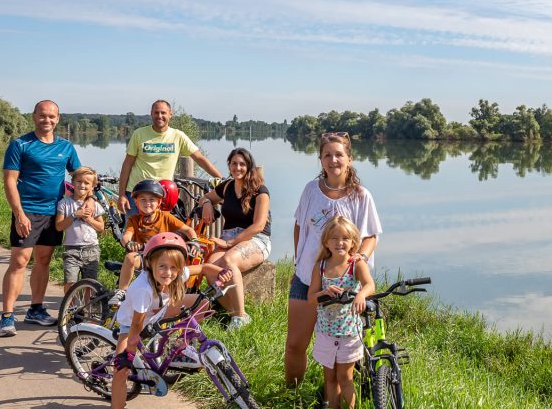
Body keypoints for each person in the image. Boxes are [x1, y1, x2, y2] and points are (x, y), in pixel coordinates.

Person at [93, 232, 233, 409]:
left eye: (174, 268)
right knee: (120, 369)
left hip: (157, 312)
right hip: (133, 326)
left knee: (202, 302)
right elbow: (137, 328)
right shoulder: (142, 289)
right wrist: (129, 352)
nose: (169, 273)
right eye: (163, 267)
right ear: (150, 264)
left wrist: (223, 272)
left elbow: (205, 268)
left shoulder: (174, 274)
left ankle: (180, 346)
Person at [285, 132, 381, 386]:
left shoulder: (361, 196)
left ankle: (347, 402)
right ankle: (292, 397)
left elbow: (371, 236)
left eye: (339, 154)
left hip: (346, 287)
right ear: (321, 160)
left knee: (346, 352)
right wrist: (300, 264)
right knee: (295, 344)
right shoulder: (310, 191)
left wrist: (360, 256)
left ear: (349, 159)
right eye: (327, 155)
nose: (333, 160)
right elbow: (298, 227)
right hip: (308, 280)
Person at [0, 100, 81, 337]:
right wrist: (19, 214)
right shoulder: (20, 144)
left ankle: (36, 309)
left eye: (52, 117)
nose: (47, 120)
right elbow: (9, 181)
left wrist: (92, 194)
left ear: (58, 118)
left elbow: (80, 175)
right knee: (19, 261)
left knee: (43, 260)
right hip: (28, 211)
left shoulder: (66, 147)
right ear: (34, 116)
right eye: (43, 116)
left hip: (54, 212)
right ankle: (7, 317)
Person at [308, 216, 374, 409]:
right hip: (326, 333)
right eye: (334, 238)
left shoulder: (356, 265)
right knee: (330, 378)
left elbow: (370, 284)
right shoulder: (320, 266)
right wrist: (323, 294)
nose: (340, 243)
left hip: (348, 332)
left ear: (353, 242)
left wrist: (361, 295)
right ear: (326, 242)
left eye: (345, 238)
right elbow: (311, 298)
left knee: (345, 378)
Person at [200, 148, 272, 330]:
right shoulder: (227, 186)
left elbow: (258, 225)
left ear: (248, 167)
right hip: (228, 237)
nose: (237, 167)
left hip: (256, 238)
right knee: (211, 267)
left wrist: (230, 243)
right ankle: (235, 313)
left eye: (242, 164)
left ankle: (239, 317)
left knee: (229, 260)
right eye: (234, 164)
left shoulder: (260, 192)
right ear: (229, 166)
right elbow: (205, 197)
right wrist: (208, 204)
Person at [117, 100, 222, 215]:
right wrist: (122, 194)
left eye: (163, 113)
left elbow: (200, 158)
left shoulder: (178, 136)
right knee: (133, 232)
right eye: (156, 113)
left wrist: (221, 179)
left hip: (162, 195)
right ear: (151, 113)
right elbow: (127, 164)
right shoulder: (139, 134)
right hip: (137, 194)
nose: (160, 116)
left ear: (170, 115)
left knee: (161, 233)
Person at [109, 179, 197, 305]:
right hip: (144, 258)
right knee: (130, 258)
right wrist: (129, 244)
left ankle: (175, 302)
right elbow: (126, 236)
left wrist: (194, 241)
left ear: (159, 202)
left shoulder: (166, 217)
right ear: (136, 201)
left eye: (152, 200)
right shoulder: (134, 220)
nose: (147, 203)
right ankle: (122, 292)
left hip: (163, 259)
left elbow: (188, 229)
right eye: (143, 200)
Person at [55, 166, 105, 293]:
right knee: (70, 282)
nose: (82, 185)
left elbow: (101, 227)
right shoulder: (64, 203)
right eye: (79, 181)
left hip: (91, 249)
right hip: (72, 249)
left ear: (92, 187)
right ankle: (70, 308)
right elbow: (59, 226)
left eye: (87, 183)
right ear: (72, 182)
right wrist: (75, 215)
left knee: (90, 283)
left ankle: (86, 310)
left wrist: (89, 219)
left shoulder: (95, 206)